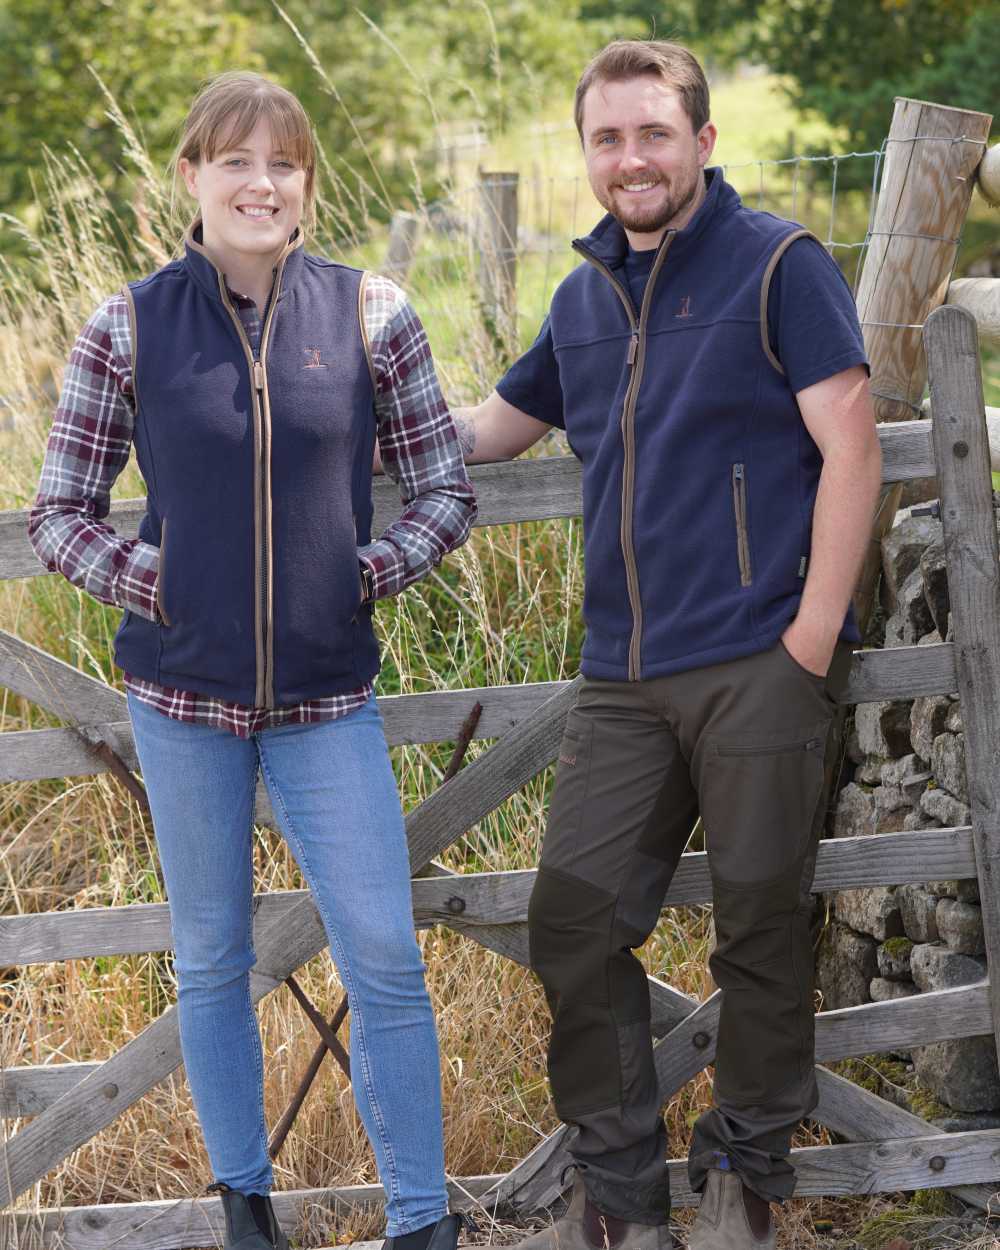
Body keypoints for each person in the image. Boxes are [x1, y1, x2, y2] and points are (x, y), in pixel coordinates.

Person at [29, 71, 477, 1250]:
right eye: (235, 161)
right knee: (212, 959)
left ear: (307, 183)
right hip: (180, 699)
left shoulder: (371, 311)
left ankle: (421, 1222)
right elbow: (59, 513)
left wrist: (366, 571)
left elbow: (443, 485)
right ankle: (246, 1210)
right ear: (191, 176)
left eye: (284, 163)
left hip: (329, 699)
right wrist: (156, 579)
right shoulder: (129, 325)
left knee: (383, 951)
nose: (260, 183)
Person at [455, 39, 882, 1250]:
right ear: (586, 154)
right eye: (608, 138)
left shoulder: (779, 264)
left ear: (700, 140)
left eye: (653, 133)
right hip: (624, 679)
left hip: (759, 661)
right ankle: (620, 1197)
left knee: (758, 924)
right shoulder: (582, 298)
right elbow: (492, 426)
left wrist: (810, 633)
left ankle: (744, 1177)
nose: (630, 158)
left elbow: (851, 443)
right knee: (573, 919)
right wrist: (348, 413)